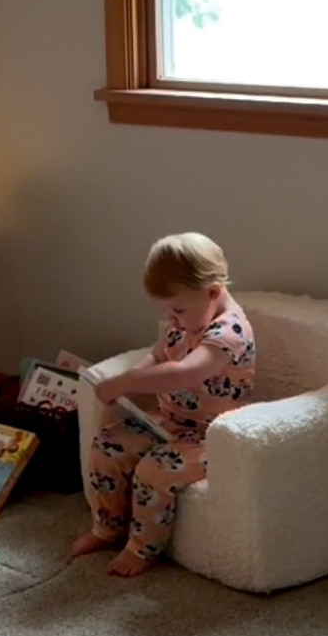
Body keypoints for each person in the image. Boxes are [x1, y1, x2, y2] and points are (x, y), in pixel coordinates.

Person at [71, 232, 255, 578]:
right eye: (165, 311)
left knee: (154, 471)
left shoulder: (229, 332)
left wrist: (127, 382)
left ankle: (142, 547)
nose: (171, 320)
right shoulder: (184, 320)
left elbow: (185, 373)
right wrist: (128, 387)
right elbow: (158, 356)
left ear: (213, 293)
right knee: (109, 445)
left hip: (210, 436)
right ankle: (107, 528)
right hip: (168, 422)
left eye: (178, 310)